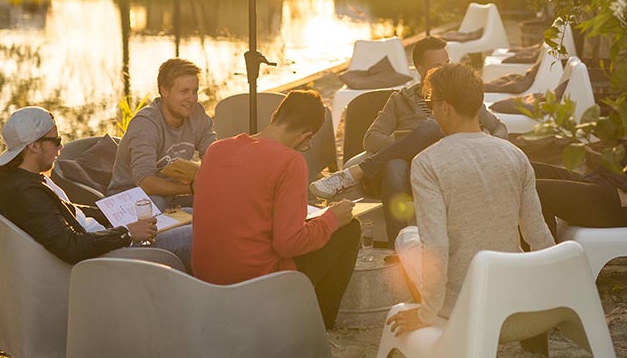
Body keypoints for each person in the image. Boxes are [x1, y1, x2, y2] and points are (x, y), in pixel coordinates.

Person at [384, 63, 555, 355]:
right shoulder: (515, 155)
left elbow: (436, 246)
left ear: (445, 107)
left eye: (430, 104)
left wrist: (427, 311)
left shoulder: (428, 163)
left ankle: (436, 326)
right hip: (514, 292)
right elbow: (539, 237)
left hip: (464, 302)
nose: (432, 112)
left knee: (406, 238)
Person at [191, 90, 360, 330]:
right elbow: (288, 243)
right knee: (349, 228)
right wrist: (332, 218)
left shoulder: (217, 150)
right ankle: (318, 326)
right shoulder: (290, 161)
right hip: (259, 285)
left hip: (206, 280)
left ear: (274, 116)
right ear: (306, 136)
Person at [310, 36, 507, 238]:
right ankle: (398, 244)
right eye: (437, 66)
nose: (445, 69)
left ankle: (356, 173)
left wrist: (488, 140)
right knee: (396, 164)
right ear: (421, 70)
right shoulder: (399, 101)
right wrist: (409, 142)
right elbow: (371, 138)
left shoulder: (461, 97)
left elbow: (500, 128)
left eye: (447, 63)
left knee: (432, 126)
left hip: (449, 166)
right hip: (408, 173)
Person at [0, 106, 192, 266]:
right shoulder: (26, 194)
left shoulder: (20, 176)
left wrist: (120, 213)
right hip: (109, 256)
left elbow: (67, 212)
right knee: (199, 233)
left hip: (105, 239)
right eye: (56, 141)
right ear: (33, 146)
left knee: (187, 213)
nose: (61, 147)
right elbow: (71, 246)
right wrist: (127, 232)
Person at [107, 58, 216, 211]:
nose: (192, 99)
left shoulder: (197, 114)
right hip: (130, 197)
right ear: (164, 90)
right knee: (157, 203)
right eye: (184, 91)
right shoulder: (145, 124)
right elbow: (145, 183)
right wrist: (191, 189)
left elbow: (215, 155)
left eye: (195, 91)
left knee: (220, 199)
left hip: (172, 195)